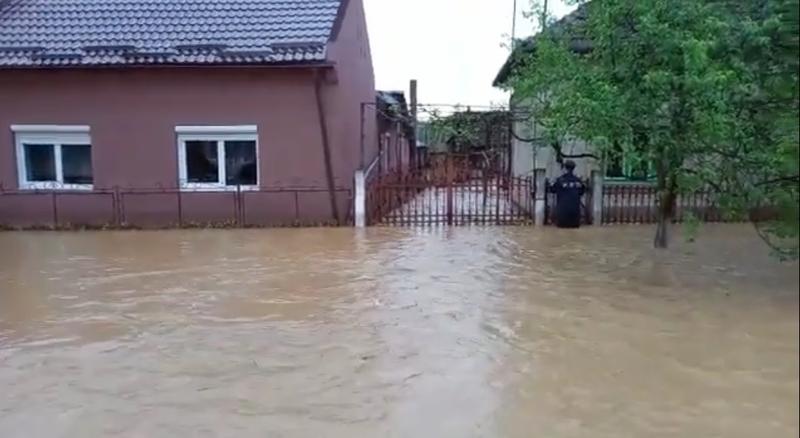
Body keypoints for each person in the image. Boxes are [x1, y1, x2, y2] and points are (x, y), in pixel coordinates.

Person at [548, 160, 585, 228]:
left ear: (565, 168)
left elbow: (552, 190)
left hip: (562, 214)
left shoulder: (560, 180)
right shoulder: (578, 181)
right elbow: (582, 192)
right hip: (575, 214)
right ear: (574, 168)